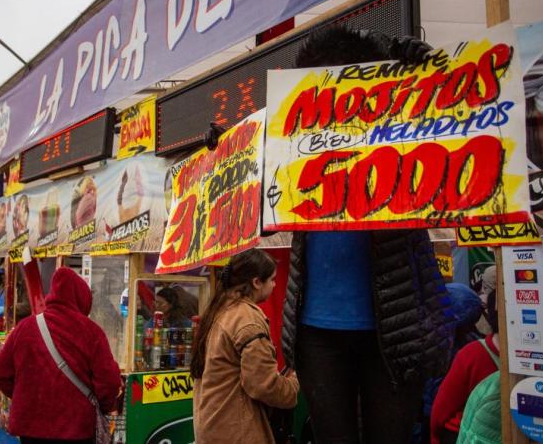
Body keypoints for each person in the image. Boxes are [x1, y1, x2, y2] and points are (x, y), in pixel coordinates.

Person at [281, 25, 454, 444]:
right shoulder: (294, 139)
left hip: (395, 332)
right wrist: (224, 150)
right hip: (316, 334)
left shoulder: (403, 127)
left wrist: (432, 75)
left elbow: (457, 132)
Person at [0, 267, 121, 443]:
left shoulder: (24, 327)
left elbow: (0, 371)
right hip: (77, 428)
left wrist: (25, 397)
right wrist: (107, 407)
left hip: (31, 427)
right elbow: (108, 381)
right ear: (82, 298)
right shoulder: (91, 332)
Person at [192, 248, 300, 444]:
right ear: (257, 282)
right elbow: (262, 385)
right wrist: (292, 385)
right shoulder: (247, 318)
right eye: (272, 279)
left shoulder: (220, 309)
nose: (275, 285)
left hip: (213, 429)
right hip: (237, 432)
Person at [430, 291, 500, 444]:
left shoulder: (471, 354)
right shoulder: (472, 343)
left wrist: (434, 436)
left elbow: (440, 409)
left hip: (461, 433)